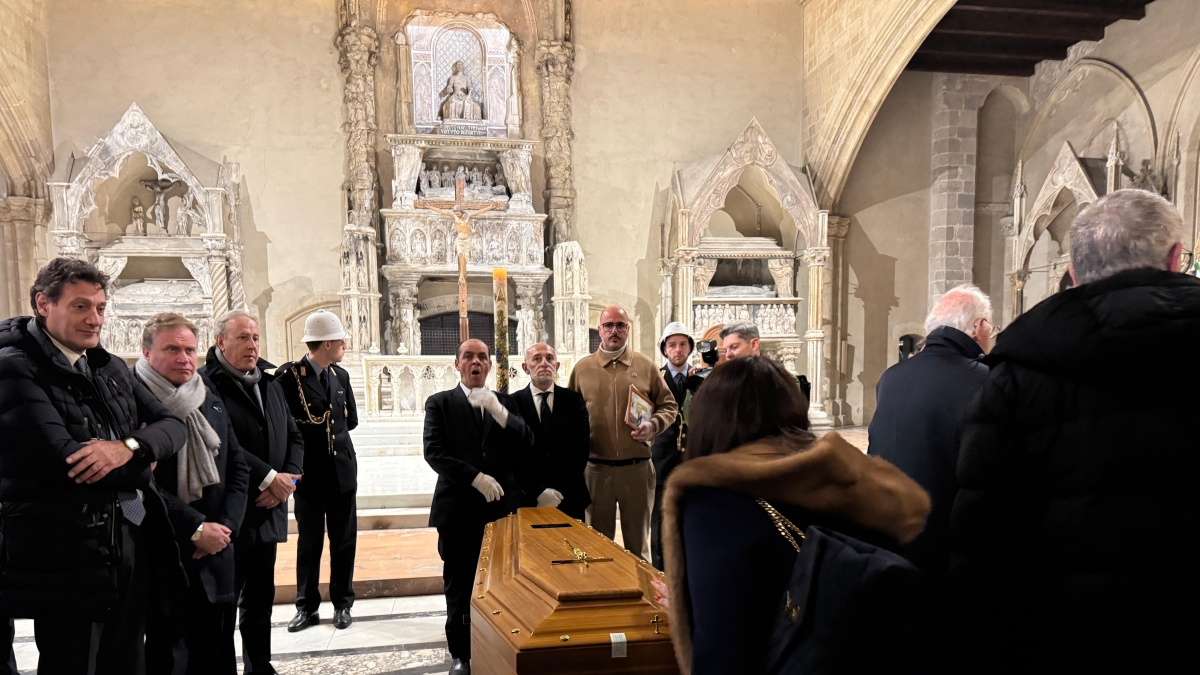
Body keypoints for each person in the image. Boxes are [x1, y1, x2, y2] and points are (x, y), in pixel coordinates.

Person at [951, 189, 1200, 673]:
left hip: (1068, 638)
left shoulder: (1017, 375)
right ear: (1175, 258)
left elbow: (985, 543)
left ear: (1075, 272)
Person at [660, 356, 931, 675]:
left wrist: (693, 602)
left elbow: (722, 653)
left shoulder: (716, 503)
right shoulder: (852, 480)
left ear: (708, 422)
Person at [0, 257, 187, 674]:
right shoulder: (14, 366)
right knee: (74, 662)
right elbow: (67, 461)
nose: (94, 319)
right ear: (44, 304)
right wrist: (144, 459)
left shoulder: (108, 365)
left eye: (100, 308)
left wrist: (128, 447)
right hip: (66, 552)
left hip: (127, 537)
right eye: (81, 306)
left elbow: (175, 426)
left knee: (127, 662)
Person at [138, 313, 250, 675]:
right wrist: (196, 528)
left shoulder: (208, 397)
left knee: (216, 651)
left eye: (189, 349)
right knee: (168, 655)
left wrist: (225, 527)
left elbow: (237, 468)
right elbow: (136, 485)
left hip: (217, 547)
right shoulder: (129, 400)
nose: (184, 358)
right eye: (172, 349)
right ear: (146, 351)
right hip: (161, 548)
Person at [423, 339, 533, 675]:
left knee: (500, 582)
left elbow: (526, 441)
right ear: (456, 364)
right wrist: (475, 478)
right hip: (457, 510)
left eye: (482, 357)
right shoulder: (439, 403)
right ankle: (461, 653)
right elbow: (434, 452)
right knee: (459, 583)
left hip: (499, 512)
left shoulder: (504, 403)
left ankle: (499, 641)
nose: (476, 362)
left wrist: (500, 412)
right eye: (468, 356)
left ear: (490, 365)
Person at [203, 309, 303, 675]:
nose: (252, 345)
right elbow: (220, 441)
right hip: (232, 507)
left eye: (256, 338)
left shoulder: (270, 383)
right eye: (243, 337)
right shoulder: (206, 385)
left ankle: (260, 665)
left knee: (261, 597)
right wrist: (268, 477)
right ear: (220, 342)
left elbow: (293, 434)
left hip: (270, 506)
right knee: (226, 599)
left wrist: (288, 480)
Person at [870, 285, 993, 581]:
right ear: (979, 327)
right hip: (949, 546)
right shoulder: (985, 380)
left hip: (888, 533)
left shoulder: (890, 378)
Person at [568, 306, 677, 561]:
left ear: (628, 330)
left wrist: (654, 425)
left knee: (638, 548)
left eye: (620, 325)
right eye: (608, 325)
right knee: (597, 548)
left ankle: (641, 599)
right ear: (600, 329)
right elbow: (569, 416)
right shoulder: (582, 369)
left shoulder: (645, 365)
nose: (614, 331)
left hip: (636, 469)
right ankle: (602, 598)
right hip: (596, 470)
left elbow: (669, 406)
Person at [274, 311, 359, 632]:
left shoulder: (341, 377)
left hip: (342, 472)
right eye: (340, 341)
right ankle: (306, 607)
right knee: (309, 544)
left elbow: (348, 421)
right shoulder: (288, 378)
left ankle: (342, 604)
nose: (344, 345)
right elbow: (284, 428)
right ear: (326, 343)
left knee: (344, 541)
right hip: (309, 475)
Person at [512, 342, 591, 519]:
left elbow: (581, 449)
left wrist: (559, 492)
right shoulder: (512, 403)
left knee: (571, 546)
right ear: (526, 368)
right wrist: (538, 492)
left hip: (569, 496)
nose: (544, 363)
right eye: (537, 359)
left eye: (549, 358)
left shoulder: (574, 400)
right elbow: (512, 455)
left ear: (557, 366)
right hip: (527, 499)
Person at [650, 322, 696, 570]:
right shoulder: (655, 378)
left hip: (690, 459)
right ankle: (659, 569)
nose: (677, 350)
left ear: (689, 348)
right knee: (658, 518)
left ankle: (688, 567)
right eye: (672, 345)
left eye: (682, 344)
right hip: (661, 458)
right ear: (665, 350)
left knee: (689, 515)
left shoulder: (700, 379)